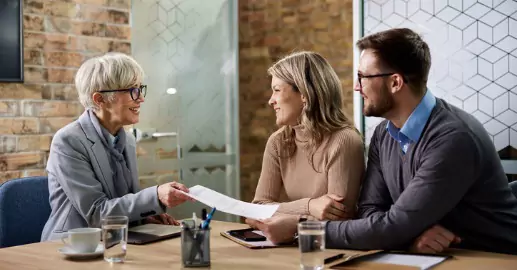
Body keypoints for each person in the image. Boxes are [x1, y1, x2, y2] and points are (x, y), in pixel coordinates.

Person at [246, 28, 517, 255]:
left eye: (363, 77)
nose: (355, 86)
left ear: (395, 83)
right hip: (440, 255)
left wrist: (300, 228)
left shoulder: (453, 139)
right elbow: (370, 211)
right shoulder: (383, 134)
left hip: (494, 257)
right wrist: (407, 232)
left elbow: (391, 226)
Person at [41, 53, 193, 241]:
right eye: (131, 90)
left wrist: (147, 213)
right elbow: (97, 213)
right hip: (74, 247)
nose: (140, 99)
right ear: (99, 99)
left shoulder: (126, 140)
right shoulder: (67, 141)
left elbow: (122, 202)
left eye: (139, 89)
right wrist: (155, 196)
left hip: (117, 241)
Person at [250, 51, 365, 221]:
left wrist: (284, 218)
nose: (271, 100)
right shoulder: (278, 142)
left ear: (304, 94)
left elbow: (338, 219)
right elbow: (256, 212)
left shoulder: (344, 141)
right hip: (292, 244)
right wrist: (310, 206)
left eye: (276, 90)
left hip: (333, 247)